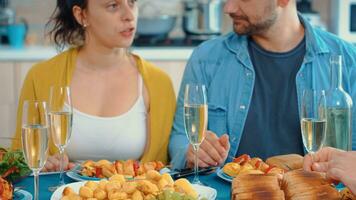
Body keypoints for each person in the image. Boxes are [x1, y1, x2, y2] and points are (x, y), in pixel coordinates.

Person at [169, 0, 356, 169]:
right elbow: (179, 138)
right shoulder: (206, 58)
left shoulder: (348, 61)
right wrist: (191, 152)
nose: (228, 8)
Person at [12, 0, 176, 171]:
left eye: (132, 2)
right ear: (81, 15)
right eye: (113, 6)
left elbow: (167, 170)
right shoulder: (40, 77)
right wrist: (38, 165)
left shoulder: (159, 83)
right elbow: (18, 161)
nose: (129, 16)